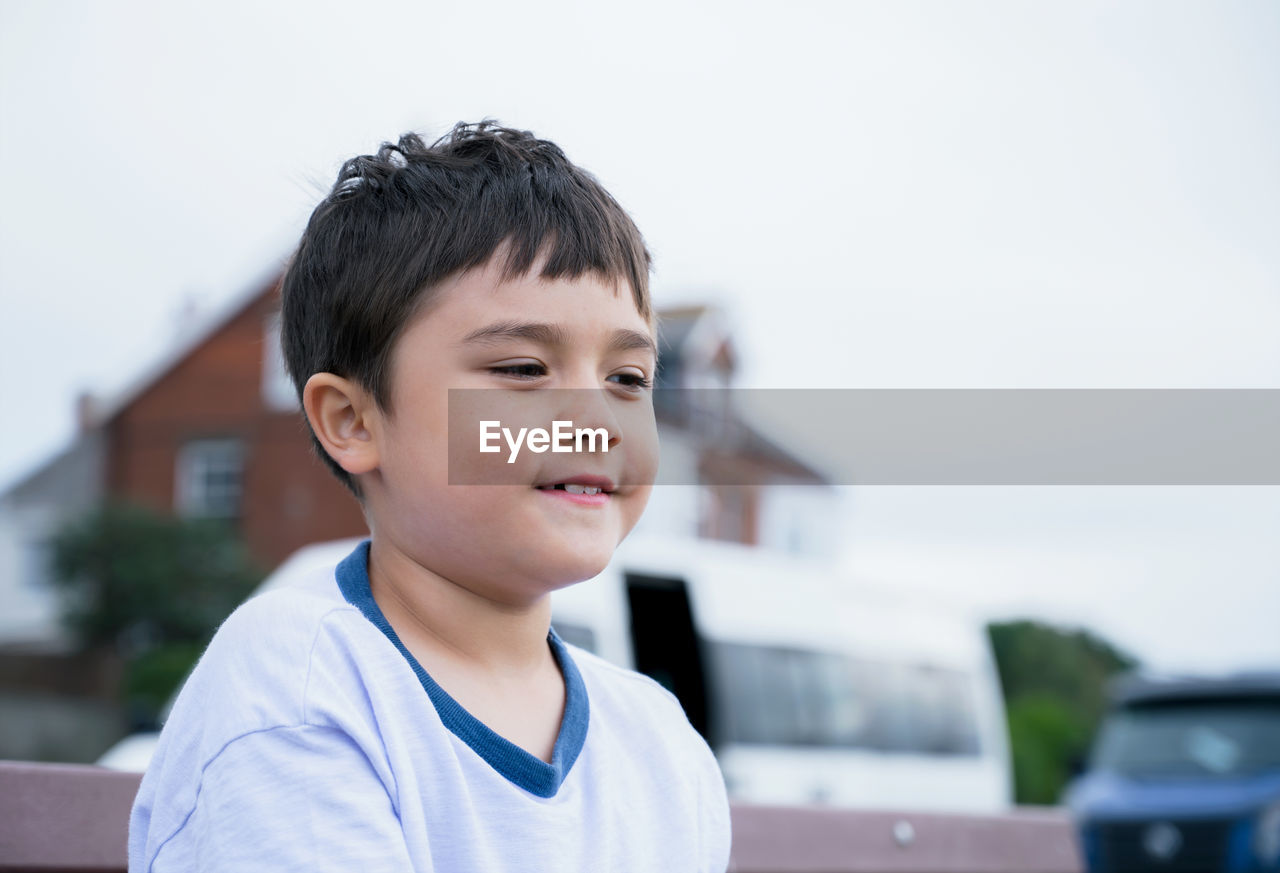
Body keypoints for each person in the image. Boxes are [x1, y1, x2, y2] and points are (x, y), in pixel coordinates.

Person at [127, 122, 732, 871]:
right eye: (520, 368)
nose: (595, 418)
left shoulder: (660, 741)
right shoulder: (301, 686)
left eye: (628, 379)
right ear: (353, 421)